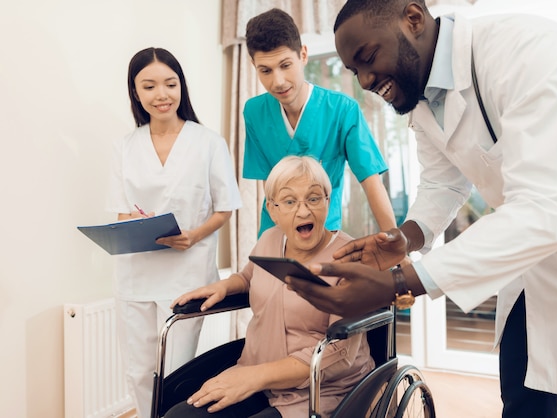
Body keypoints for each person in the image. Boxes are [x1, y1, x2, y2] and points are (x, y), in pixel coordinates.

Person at [285, 1, 557, 417]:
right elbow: (443, 182)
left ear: (413, 19)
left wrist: (398, 282)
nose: (367, 81)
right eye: (355, 72)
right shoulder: (421, 95)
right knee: (521, 400)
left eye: (368, 58)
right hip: (531, 265)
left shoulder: (526, 50)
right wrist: (405, 237)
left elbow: (548, 204)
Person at [164, 156, 374, 418]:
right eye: (289, 201)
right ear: (272, 209)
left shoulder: (349, 259)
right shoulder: (270, 239)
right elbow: (250, 276)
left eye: (313, 198)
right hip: (256, 374)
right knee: (180, 416)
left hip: (320, 389)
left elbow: (340, 354)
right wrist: (226, 285)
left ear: (328, 202)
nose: (303, 211)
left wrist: (255, 377)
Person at [106, 47, 242, 418]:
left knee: (176, 372)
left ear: (181, 86)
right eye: (149, 86)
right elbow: (121, 210)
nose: (161, 94)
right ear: (136, 92)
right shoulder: (125, 146)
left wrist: (194, 236)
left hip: (187, 273)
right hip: (135, 273)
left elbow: (225, 207)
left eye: (170, 83)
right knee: (138, 370)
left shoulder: (208, 142)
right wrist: (138, 225)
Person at [242, 8, 397, 236]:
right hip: (274, 234)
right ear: (254, 66)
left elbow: (371, 181)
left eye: (285, 65)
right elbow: (270, 185)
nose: (278, 82)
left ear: (303, 55)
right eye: (265, 70)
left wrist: (396, 245)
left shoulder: (343, 110)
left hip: (323, 234)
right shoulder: (254, 112)